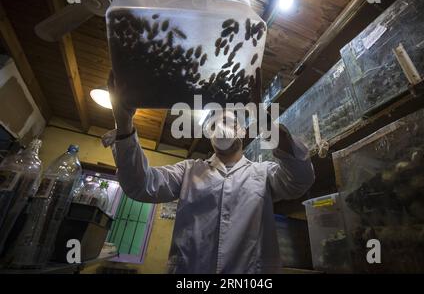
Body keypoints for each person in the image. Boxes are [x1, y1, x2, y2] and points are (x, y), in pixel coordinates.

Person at [103, 71, 315, 274]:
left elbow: (301, 178)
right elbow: (140, 186)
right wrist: (123, 123)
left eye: (229, 119)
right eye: (214, 121)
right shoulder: (188, 171)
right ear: (208, 133)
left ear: (242, 130)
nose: (221, 123)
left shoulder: (264, 174)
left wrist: (261, 115)